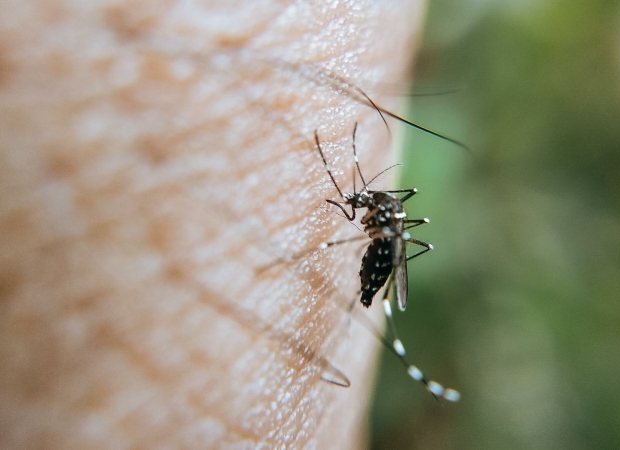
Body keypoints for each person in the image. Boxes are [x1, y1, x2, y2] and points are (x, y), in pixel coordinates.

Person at [0, 1, 424, 448]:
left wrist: (319, 243)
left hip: (381, 254)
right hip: (384, 246)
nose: (359, 201)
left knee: (359, 246)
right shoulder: (382, 208)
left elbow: (365, 218)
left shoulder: (382, 223)